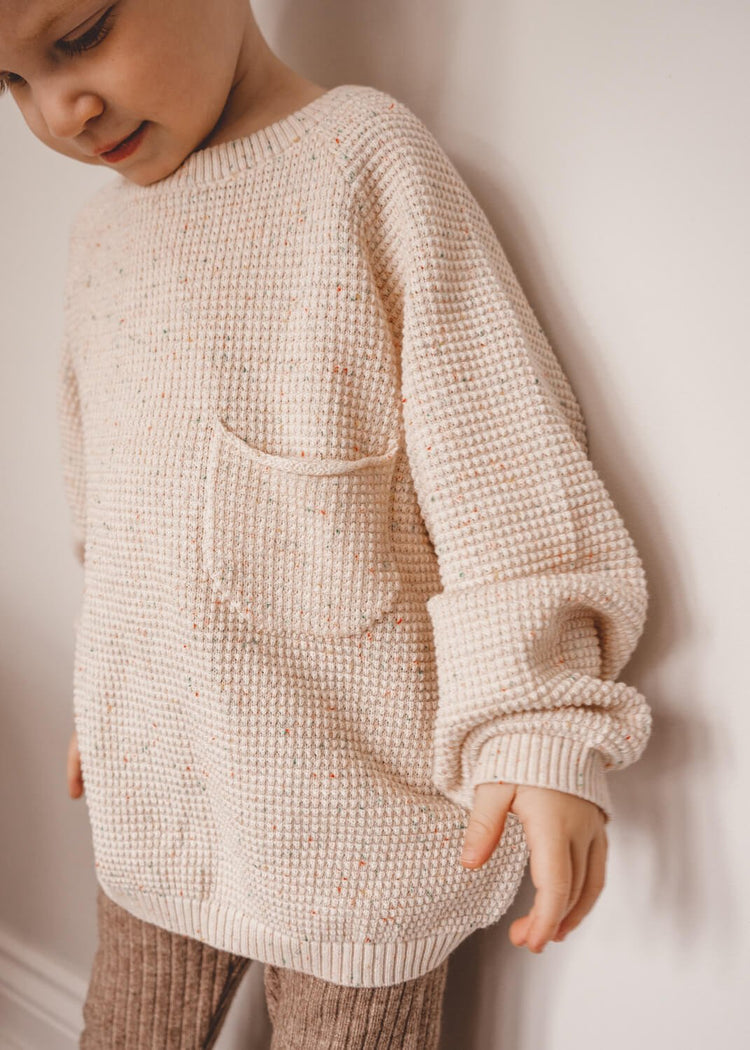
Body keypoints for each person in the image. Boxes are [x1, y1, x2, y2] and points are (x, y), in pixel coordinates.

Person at [1, 1, 653, 1046]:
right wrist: (113, 692)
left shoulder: (363, 162)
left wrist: (538, 727)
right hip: (161, 797)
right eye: (11, 83)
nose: (57, 111)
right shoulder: (99, 237)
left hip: (357, 822)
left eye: (79, 36)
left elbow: (504, 474)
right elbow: (115, 512)